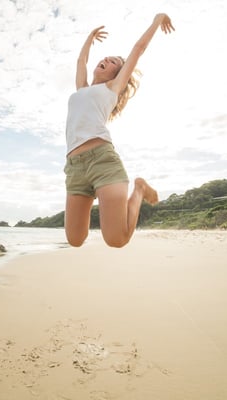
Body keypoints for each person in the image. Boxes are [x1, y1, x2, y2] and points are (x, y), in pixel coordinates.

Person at [64, 13, 175, 248]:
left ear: (117, 74)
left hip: (103, 161)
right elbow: (80, 62)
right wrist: (89, 37)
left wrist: (157, 20)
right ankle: (114, 195)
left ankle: (139, 189)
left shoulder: (112, 89)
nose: (107, 59)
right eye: (107, 57)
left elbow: (138, 49)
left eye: (114, 61)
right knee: (75, 240)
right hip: (74, 167)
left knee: (117, 239)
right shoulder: (81, 89)